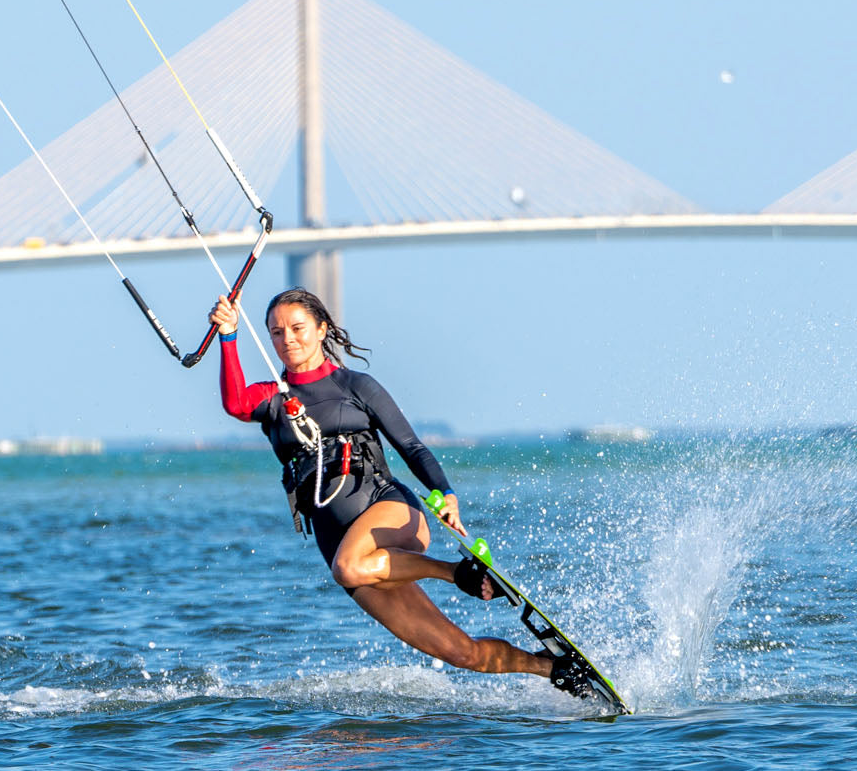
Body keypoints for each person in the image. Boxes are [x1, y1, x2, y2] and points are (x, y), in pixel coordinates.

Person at [208, 288, 590, 696]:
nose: (288, 340)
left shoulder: (356, 386)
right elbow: (235, 403)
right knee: (463, 654)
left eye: (298, 328)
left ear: (322, 329)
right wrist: (228, 336)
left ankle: (457, 573)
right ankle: (554, 669)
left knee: (348, 568)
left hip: (390, 511)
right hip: (352, 555)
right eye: (276, 333)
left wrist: (445, 493)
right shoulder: (273, 400)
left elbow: (412, 447)